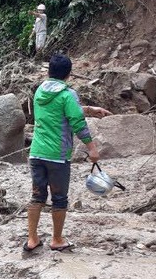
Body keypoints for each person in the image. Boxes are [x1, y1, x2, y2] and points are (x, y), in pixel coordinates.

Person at [25, 54, 110, 254]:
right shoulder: (68, 94)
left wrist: (89, 109)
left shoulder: (39, 91)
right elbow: (77, 123)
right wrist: (92, 148)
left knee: (37, 196)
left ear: (49, 72)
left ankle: (32, 239)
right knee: (59, 198)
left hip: (36, 153)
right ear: (69, 74)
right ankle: (56, 239)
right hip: (57, 156)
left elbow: (60, 111)